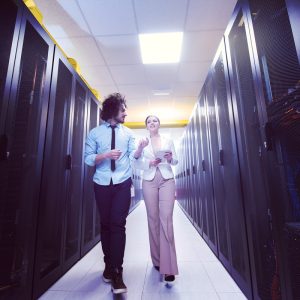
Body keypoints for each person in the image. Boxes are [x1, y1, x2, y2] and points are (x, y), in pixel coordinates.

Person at [84, 93, 137, 294]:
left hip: (123, 182)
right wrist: (105, 155)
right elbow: (88, 159)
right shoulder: (95, 133)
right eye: (123, 109)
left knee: (117, 224)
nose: (126, 113)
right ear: (113, 110)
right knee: (105, 224)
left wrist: (139, 150)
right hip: (101, 183)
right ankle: (108, 264)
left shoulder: (129, 133)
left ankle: (117, 271)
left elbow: (134, 156)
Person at [134, 115, 179, 284]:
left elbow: (175, 160)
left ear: (159, 124)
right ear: (146, 126)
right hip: (149, 181)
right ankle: (157, 261)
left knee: (166, 219)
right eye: (149, 121)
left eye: (155, 121)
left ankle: (168, 267)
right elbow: (136, 163)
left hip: (167, 179)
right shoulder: (142, 142)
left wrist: (169, 158)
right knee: (152, 219)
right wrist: (148, 162)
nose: (152, 123)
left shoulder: (168, 139)